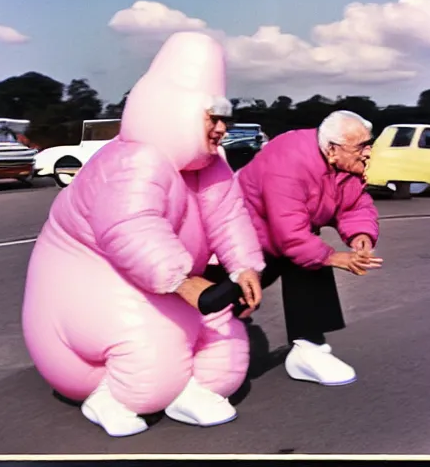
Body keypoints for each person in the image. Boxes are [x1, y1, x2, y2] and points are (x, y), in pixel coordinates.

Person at [22, 31, 265, 438]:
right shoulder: (135, 160)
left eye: (226, 118)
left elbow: (229, 216)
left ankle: (188, 388)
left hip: (156, 281)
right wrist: (182, 282)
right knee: (154, 354)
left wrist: (244, 267)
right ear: (181, 112)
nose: (222, 128)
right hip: (91, 282)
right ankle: (110, 397)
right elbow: (130, 228)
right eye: (213, 117)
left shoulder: (211, 166)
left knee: (224, 345)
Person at [204, 110, 383, 387]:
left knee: (312, 260)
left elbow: (354, 204)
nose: (368, 152)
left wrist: (361, 234)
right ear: (333, 149)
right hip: (243, 237)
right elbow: (289, 232)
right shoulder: (289, 162)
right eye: (361, 146)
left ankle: (309, 348)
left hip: (275, 237)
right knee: (218, 301)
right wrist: (332, 256)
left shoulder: (342, 164)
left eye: (369, 143)